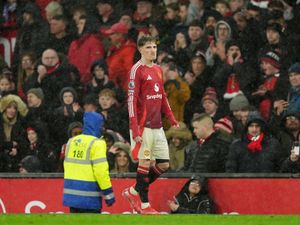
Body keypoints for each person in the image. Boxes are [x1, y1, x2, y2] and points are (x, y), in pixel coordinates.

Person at [123, 35, 179, 214]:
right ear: (140, 50)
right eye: (148, 47)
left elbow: (162, 95)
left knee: (163, 165)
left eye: (154, 47)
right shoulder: (136, 70)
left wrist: (171, 118)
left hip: (157, 125)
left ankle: (132, 191)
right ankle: (146, 206)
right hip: (143, 125)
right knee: (145, 162)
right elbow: (131, 101)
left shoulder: (157, 69)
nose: (152, 50)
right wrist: (135, 128)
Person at [63, 112, 115, 213]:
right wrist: (108, 194)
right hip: (89, 196)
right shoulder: (97, 143)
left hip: (71, 196)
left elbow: (67, 166)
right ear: (98, 125)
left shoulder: (71, 141)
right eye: (102, 125)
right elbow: (101, 172)